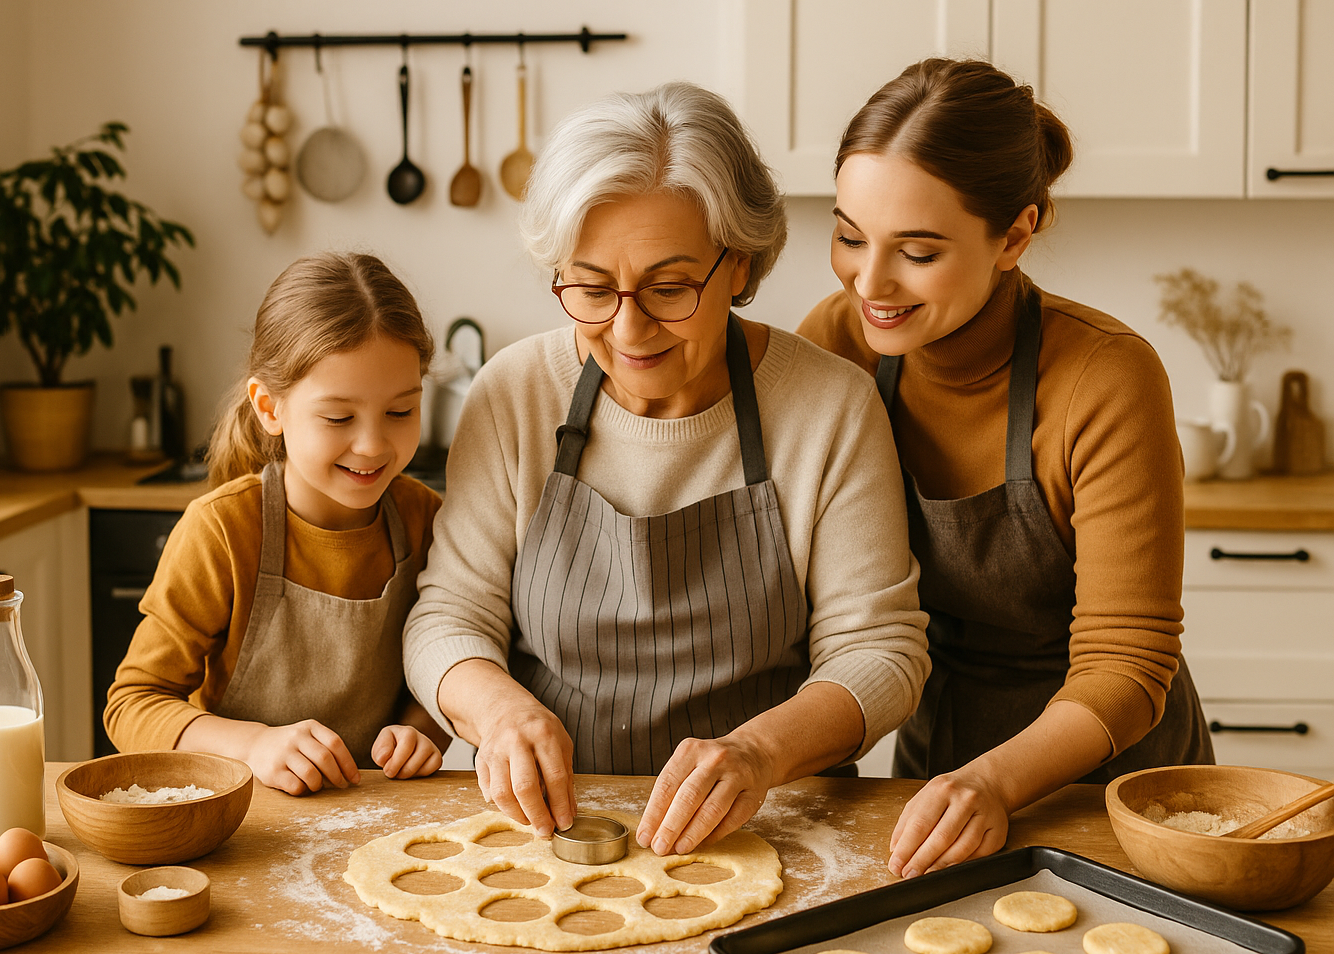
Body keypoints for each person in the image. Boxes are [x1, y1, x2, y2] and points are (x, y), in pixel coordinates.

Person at [404, 82, 930, 857]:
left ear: (740, 267)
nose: (627, 328)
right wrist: (499, 713)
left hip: (772, 830)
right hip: (546, 832)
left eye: (669, 288)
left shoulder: (830, 407)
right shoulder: (513, 394)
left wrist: (762, 753)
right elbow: (448, 615)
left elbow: (879, 650)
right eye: (589, 289)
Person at [797, 58, 1213, 879]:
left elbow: (1128, 661)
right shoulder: (838, 345)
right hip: (936, 755)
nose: (869, 283)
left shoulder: (1104, 377)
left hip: (1112, 780)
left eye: (916, 251)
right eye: (849, 236)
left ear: (1015, 235)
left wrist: (994, 779)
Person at [104, 252, 448, 794]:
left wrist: (421, 729)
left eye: (401, 411)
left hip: (375, 813)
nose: (373, 444)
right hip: (243, 819)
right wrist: (253, 745)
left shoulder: (426, 519)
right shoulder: (222, 531)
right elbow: (132, 706)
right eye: (338, 417)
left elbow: (447, 662)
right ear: (270, 407)